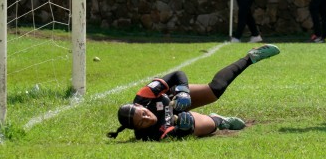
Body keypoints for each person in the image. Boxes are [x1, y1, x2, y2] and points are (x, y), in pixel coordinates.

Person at [106, 43, 280, 141]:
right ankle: (220, 120)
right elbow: (177, 135)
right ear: (138, 128)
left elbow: (177, 74)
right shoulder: (150, 135)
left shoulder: (145, 96)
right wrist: (185, 127)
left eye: (143, 113)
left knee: (215, 90)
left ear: (139, 106)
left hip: (173, 99)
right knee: (207, 126)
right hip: (175, 119)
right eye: (142, 122)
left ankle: (250, 57)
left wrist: (182, 92)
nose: (147, 118)